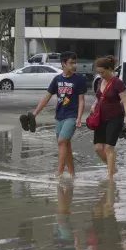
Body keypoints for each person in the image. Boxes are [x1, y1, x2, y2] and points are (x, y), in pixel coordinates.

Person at [30, 51, 87, 179]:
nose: (74, 65)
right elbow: (46, 98)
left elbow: (81, 100)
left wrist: (79, 118)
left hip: (71, 116)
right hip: (59, 116)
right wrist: (34, 114)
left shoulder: (79, 80)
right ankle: (72, 174)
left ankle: (59, 173)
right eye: (71, 63)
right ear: (63, 64)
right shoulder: (57, 79)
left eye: (75, 63)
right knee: (66, 146)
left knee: (61, 142)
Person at [91, 55, 126, 180]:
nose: (101, 75)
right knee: (98, 147)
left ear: (110, 69)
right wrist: (94, 104)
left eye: (103, 72)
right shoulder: (99, 82)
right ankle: (113, 168)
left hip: (115, 117)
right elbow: (98, 97)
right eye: (99, 72)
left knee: (109, 147)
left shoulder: (117, 83)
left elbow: (125, 100)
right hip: (101, 118)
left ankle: (109, 177)